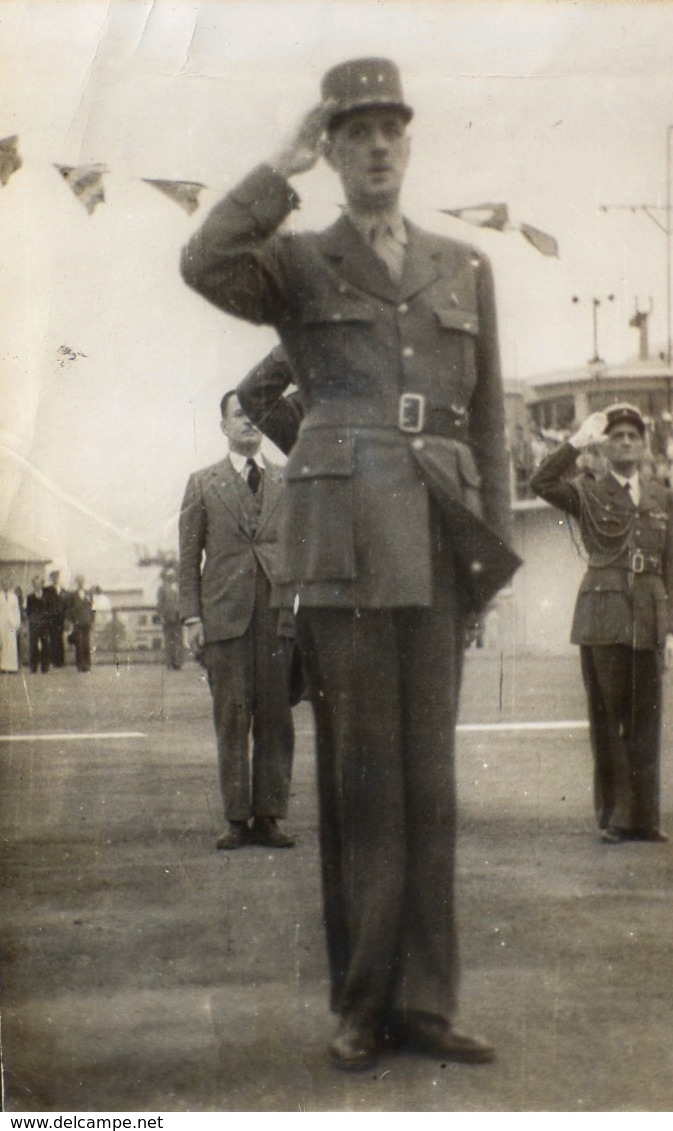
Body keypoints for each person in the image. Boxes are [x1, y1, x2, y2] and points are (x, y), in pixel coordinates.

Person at [181, 57, 519, 1070]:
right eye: (354, 132)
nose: (376, 146)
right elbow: (204, 261)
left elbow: (491, 423)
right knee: (363, 781)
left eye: (390, 130)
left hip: (438, 539)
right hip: (342, 551)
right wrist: (275, 166)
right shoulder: (298, 259)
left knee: (431, 785)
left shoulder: (464, 267)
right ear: (330, 151)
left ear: (408, 146)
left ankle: (426, 1004)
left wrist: (486, 565)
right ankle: (361, 1005)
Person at [531, 403, 673, 845]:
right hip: (604, 614)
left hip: (648, 615)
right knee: (609, 718)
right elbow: (541, 482)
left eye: (634, 437)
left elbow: (670, 569)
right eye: (617, 437)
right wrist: (577, 442)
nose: (626, 443)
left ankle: (646, 818)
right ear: (605, 446)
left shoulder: (661, 497)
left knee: (647, 720)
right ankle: (617, 816)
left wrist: (671, 630)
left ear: (644, 446)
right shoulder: (589, 490)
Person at [178, 390, 297, 852]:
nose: (248, 422)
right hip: (223, 619)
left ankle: (268, 816)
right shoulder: (202, 483)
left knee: (275, 719)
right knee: (231, 719)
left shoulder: (289, 481)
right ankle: (235, 818)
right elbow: (188, 558)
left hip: (277, 616)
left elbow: (304, 548)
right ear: (223, 426)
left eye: (255, 414)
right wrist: (192, 617)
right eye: (238, 415)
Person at [156, 566, 184, 670]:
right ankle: (170, 663)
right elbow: (160, 604)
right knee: (169, 640)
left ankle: (178, 663)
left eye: (173, 575)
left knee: (179, 640)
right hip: (167, 617)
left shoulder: (179, 587)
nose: (172, 577)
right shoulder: (162, 588)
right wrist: (161, 616)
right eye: (169, 575)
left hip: (178, 617)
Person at [68, 577, 94, 672]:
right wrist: (73, 620)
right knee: (79, 643)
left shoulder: (88, 594)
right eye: (78, 582)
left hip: (87, 622)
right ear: (76, 583)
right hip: (77, 622)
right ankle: (79, 665)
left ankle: (87, 665)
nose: (80, 583)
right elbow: (70, 609)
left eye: (82, 581)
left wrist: (92, 619)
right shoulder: (73, 595)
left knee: (86, 643)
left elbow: (93, 608)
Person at [42, 570, 68, 668]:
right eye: (53, 577)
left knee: (60, 639)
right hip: (51, 619)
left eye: (57, 577)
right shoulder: (47, 590)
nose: (55, 579)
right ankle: (54, 661)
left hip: (61, 619)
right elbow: (45, 605)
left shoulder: (64, 591)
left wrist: (66, 618)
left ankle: (61, 661)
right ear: (51, 578)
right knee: (53, 639)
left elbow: (66, 606)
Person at [26, 578, 51, 674]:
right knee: (33, 646)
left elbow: (50, 610)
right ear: (33, 585)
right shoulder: (30, 597)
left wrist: (46, 621)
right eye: (35, 584)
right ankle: (33, 667)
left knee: (45, 645)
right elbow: (28, 611)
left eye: (39, 583)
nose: (37, 586)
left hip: (44, 625)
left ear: (42, 584)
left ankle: (45, 667)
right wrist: (32, 621)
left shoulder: (47, 597)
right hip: (34, 625)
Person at [0, 570, 21, 673]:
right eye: (4, 582)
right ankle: (2, 667)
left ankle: (12, 667)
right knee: (2, 644)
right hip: (1, 622)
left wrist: (17, 623)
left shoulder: (14, 597)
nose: (6, 584)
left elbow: (16, 611)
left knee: (11, 645)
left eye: (8, 582)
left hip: (11, 623)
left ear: (10, 584)